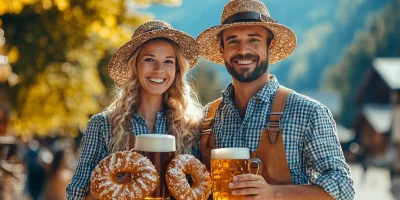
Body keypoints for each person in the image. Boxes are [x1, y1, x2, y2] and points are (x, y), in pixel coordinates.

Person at [196, 0, 355, 199]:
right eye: (233, 41)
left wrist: (273, 193)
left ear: (270, 46)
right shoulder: (205, 119)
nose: (243, 50)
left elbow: (343, 189)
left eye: (253, 39)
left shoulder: (309, 113)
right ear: (222, 50)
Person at [66, 20, 203, 200]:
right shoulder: (102, 125)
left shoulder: (192, 127)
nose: (159, 69)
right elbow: (76, 196)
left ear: (177, 70)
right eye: (149, 59)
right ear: (134, 65)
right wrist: (118, 187)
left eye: (168, 61)